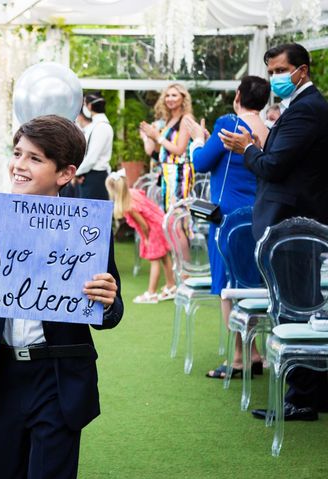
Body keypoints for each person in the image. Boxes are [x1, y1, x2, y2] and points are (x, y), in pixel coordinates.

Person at [0, 115, 124, 479]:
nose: (19, 165)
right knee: (4, 470)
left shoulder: (86, 224)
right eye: (17, 153)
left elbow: (110, 309)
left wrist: (109, 300)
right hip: (1, 371)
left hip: (59, 373)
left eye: (35, 158)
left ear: (64, 173)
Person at [220, 43, 328, 421]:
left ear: (302, 70)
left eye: (281, 70)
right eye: (271, 71)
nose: (275, 78)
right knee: (297, 305)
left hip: (294, 224)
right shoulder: (297, 108)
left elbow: (275, 165)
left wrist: (247, 148)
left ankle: (301, 398)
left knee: (296, 308)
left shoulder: (308, 109)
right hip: (289, 220)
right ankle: (311, 393)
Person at [184, 75, 271, 379]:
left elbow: (202, 162)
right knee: (255, 284)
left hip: (229, 219)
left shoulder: (229, 123)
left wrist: (197, 139)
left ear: (237, 96)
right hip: (261, 215)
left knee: (228, 288)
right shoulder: (271, 128)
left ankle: (238, 357)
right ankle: (256, 352)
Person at [106, 169, 176, 304]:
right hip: (161, 223)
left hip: (153, 230)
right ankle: (171, 285)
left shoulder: (129, 206)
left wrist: (147, 238)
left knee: (154, 260)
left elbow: (144, 225)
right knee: (164, 256)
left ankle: (152, 293)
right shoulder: (133, 194)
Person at [140, 83, 195, 211]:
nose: (170, 98)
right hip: (166, 171)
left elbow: (180, 150)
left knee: (178, 214)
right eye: (167, 95)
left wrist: (158, 136)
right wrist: (148, 136)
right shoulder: (169, 120)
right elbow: (156, 151)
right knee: (168, 214)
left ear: (183, 98)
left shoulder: (186, 118)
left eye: (174, 95)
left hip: (180, 172)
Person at [75, 92, 112, 200]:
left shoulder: (102, 126)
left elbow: (92, 158)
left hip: (96, 177)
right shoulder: (96, 125)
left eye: (84, 105)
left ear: (89, 106)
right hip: (89, 175)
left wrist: (76, 173)